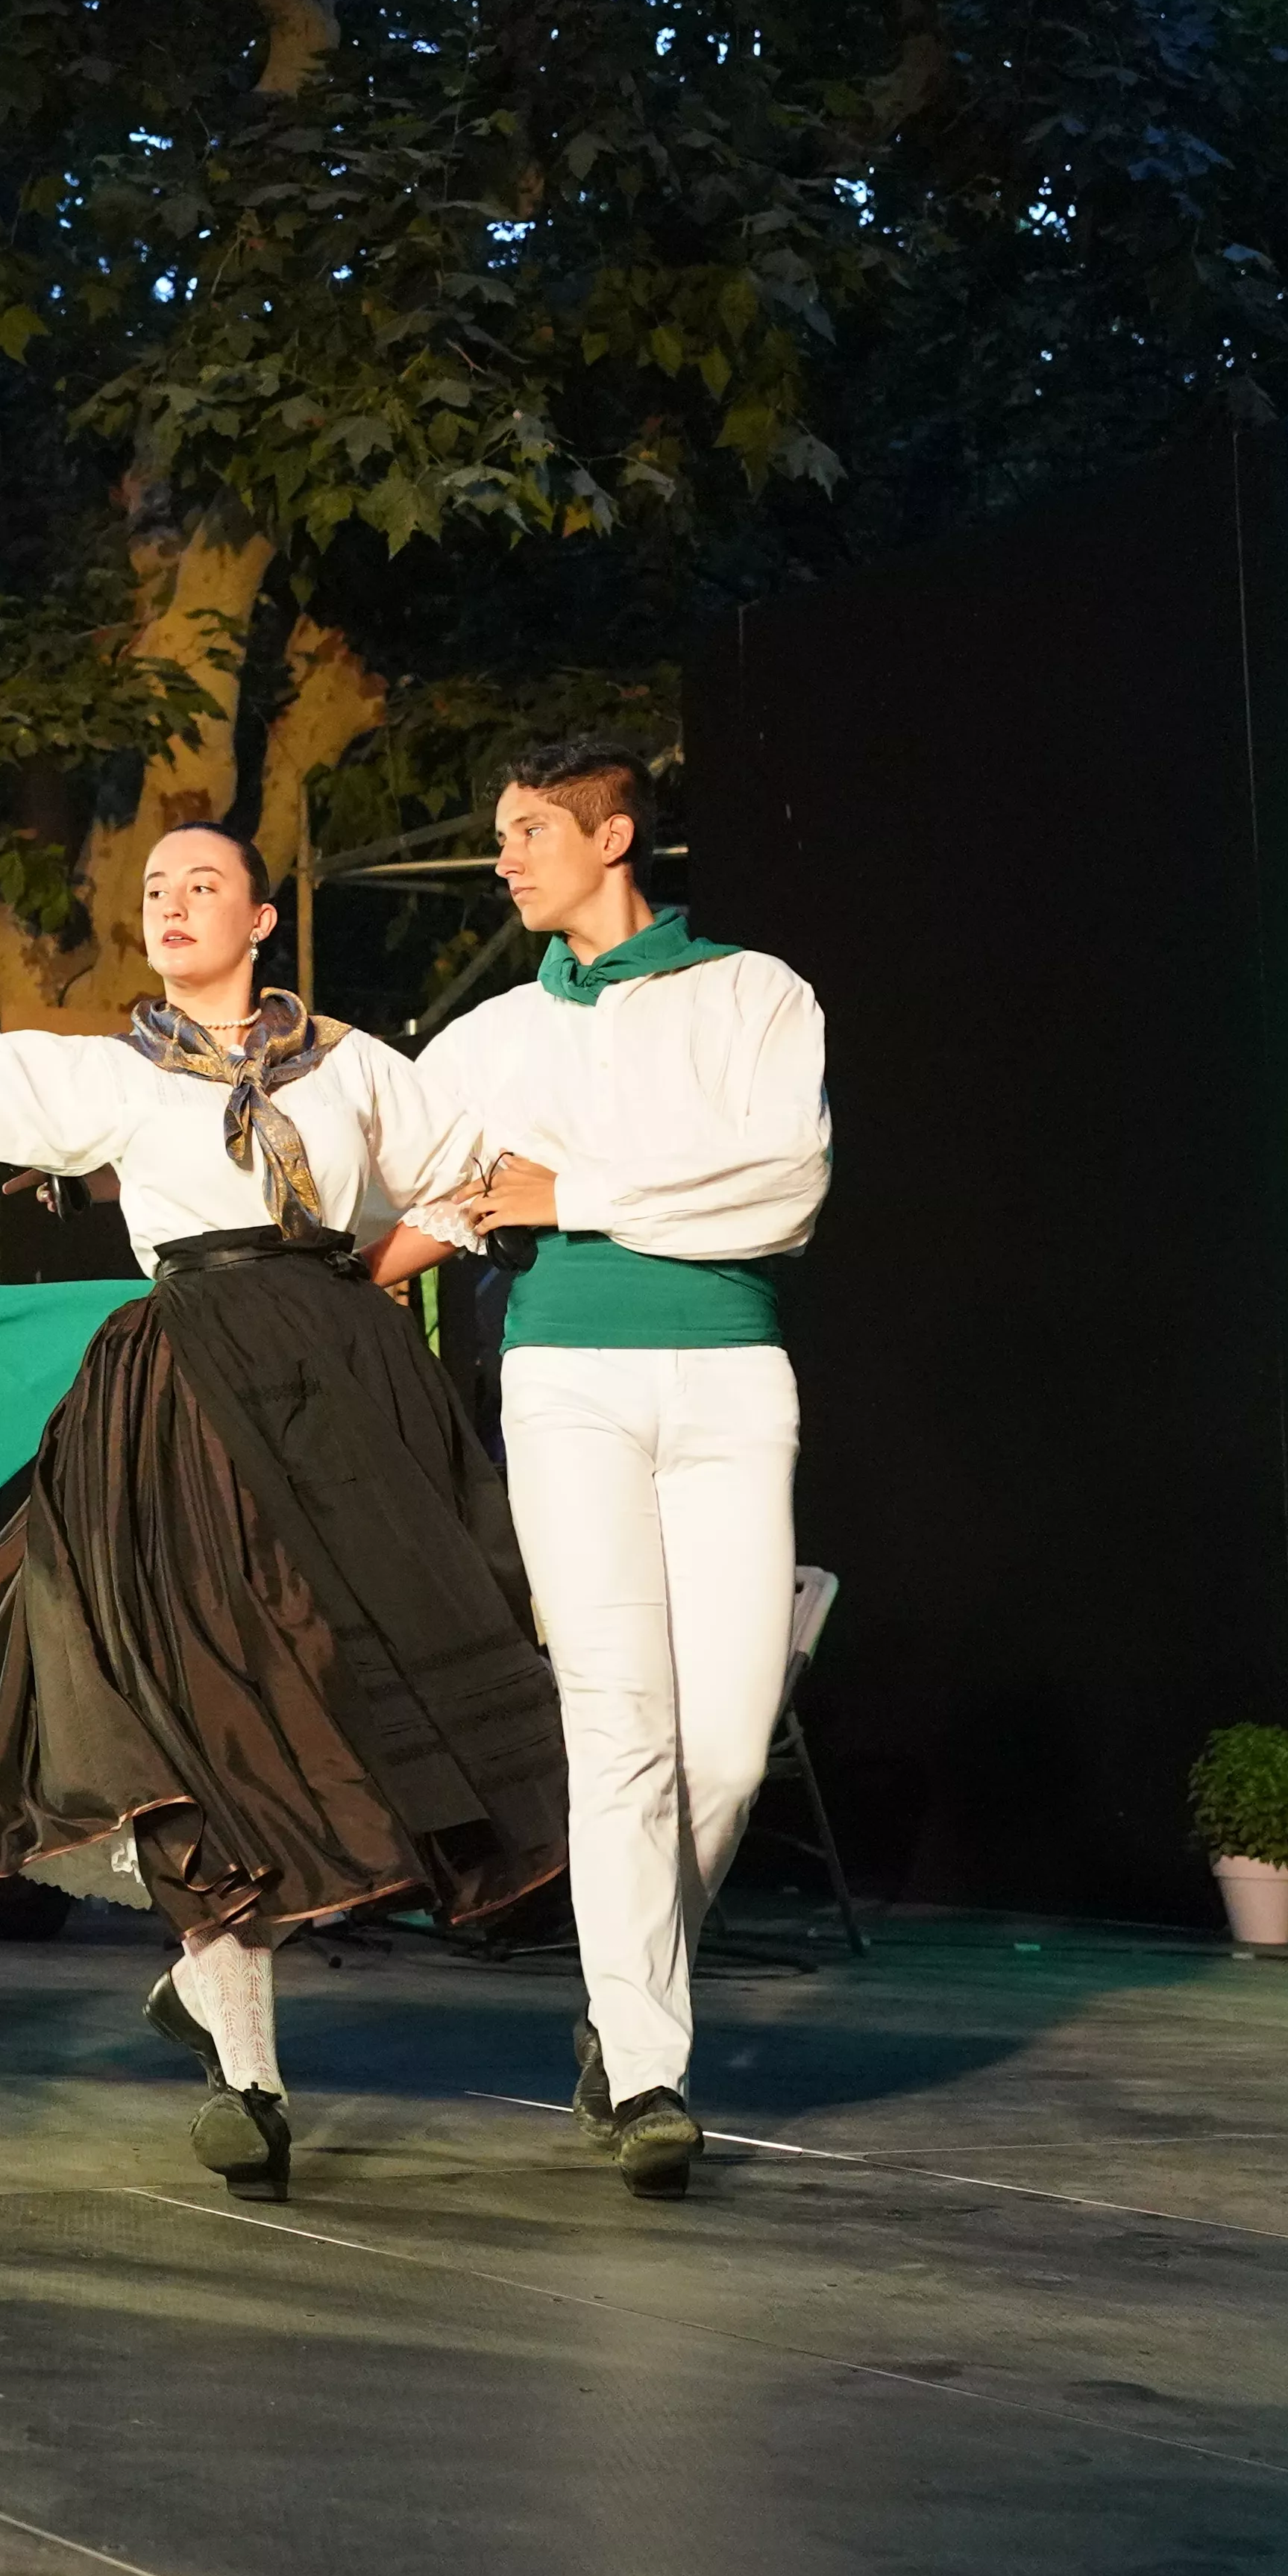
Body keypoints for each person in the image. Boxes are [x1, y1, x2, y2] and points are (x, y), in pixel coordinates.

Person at [0, 826, 566, 2202]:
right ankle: (249, 2069)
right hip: (183, 1387)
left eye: (204, 884)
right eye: (155, 890)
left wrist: (367, 1272)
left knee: (343, 1685)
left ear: (259, 915)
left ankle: (228, 1995)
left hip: (334, 1383)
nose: (175, 903)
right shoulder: (111, 1069)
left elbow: (472, 1176)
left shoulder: (355, 1061)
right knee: (195, 1706)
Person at [372, 738, 830, 2201]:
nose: (502, 858)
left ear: (612, 834)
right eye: (499, 833)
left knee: (727, 1750)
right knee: (619, 1726)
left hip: (731, 1381)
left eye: (524, 833)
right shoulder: (497, 1035)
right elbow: (413, 1174)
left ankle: (621, 1985)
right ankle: (643, 2065)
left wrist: (578, 1194)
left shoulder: (755, 995)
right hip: (565, 1379)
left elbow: (784, 1186)